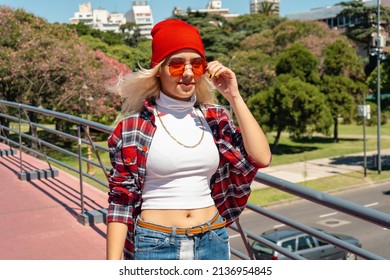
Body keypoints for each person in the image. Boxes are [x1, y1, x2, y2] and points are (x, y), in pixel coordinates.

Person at [106, 19, 272, 260]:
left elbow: (261, 157)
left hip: (212, 237)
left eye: (196, 65)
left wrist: (233, 95)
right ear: (158, 70)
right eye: (176, 65)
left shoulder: (214, 118)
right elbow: (121, 201)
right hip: (155, 242)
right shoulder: (132, 128)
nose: (186, 73)